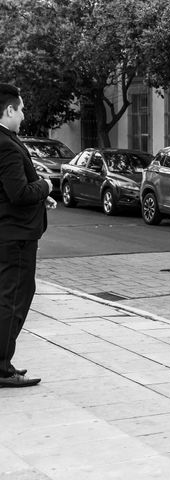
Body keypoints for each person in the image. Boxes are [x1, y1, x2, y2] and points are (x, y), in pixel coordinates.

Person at [0, 83, 56, 388]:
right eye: (21, 110)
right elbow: (18, 193)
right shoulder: (6, 144)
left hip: (10, 234)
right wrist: (45, 187)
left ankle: (3, 362)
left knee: (11, 297)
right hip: (16, 237)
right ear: (9, 110)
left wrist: (40, 195)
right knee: (13, 300)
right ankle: (1, 367)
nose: (23, 116)